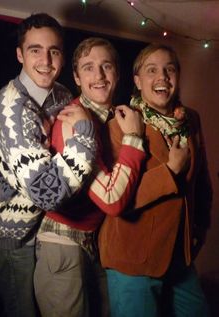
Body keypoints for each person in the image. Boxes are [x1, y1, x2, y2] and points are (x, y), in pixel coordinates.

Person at [0, 13, 97, 317]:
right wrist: (85, 136)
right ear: (20, 54)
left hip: (50, 226)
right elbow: (47, 193)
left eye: (54, 51)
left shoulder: (61, 93)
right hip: (14, 235)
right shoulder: (11, 110)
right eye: (35, 50)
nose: (46, 60)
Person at [34, 37, 146, 317]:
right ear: (76, 77)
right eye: (88, 67)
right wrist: (134, 138)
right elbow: (111, 200)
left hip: (92, 242)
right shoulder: (74, 121)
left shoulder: (113, 118)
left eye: (106, 66)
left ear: (117, 74)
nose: (98, 76)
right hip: (61, 245)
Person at [98, 44, 213, 317]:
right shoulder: (119, 124)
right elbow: (120, 199)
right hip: (132, 260)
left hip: (179, 257)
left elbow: (202, 181)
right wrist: (170, 170)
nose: (162, 77)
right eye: (152, 70)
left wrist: (200, 228)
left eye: (169, 69)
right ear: (137, 81)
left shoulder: (190, 120)